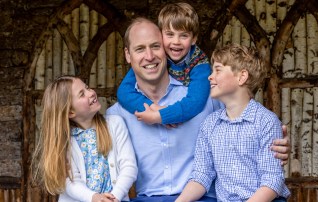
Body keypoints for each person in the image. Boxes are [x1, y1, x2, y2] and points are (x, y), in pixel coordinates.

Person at [106, 17, 290, 202]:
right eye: (140, 49)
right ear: (128, 55)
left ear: (166, 49)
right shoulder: (116, 116)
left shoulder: (205, 99)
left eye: (155, 46)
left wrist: (274, 146)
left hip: (204, 198)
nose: (149, 56)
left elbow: (243, 117)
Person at [176, 44, 291, 202]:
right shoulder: (209, 124)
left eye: (218, 70)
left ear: (241, 77)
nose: (210, 76)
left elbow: (272, 180)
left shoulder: (266, 122)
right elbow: (202, 175)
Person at [32, 76, 138, 202]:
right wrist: (93, 198)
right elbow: (70, 181)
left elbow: (129, 166)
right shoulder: (64, 141)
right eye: (82, 94)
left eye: (87, 87)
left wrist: (115, 197)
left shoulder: (115, 124)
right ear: (70, 112)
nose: (91, 92)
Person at [117, 2, 210, 125]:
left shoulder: (200, 64)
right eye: (170, 34)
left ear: (194, 39)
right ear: (160, 35)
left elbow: (196, 102)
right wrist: (153, 108)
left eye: (184, 36)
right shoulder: (156, 57)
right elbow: (124, 92)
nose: (176, 41)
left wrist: (163, 116)